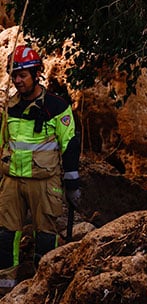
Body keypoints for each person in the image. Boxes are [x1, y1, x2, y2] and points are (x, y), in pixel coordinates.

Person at [0, 45, 81, 291]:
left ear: (36, 74)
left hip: (45, 183)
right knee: (5, 235)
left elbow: (70, 144)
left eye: (22, 75)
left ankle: (42, 287)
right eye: (14, 74)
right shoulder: (9, 107)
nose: (17, 80)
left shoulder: (57, 107)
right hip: (11, 181)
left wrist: (72, 184)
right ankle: (5, 287)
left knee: (45, 236)